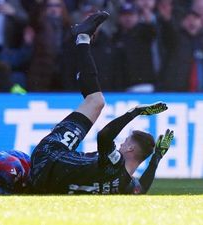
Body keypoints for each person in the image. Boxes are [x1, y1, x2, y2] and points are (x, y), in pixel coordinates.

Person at [30, 11, 174, 194]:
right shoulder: (127, 187)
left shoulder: (115, 164)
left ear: (130, 148)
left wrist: (134, 112)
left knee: (96, 101)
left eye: (125, 142)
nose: (122, 144)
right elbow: (142, 187)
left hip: (48, 157)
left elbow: (104, 136)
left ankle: (82, 38)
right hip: (43, 185)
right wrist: (157, 158)